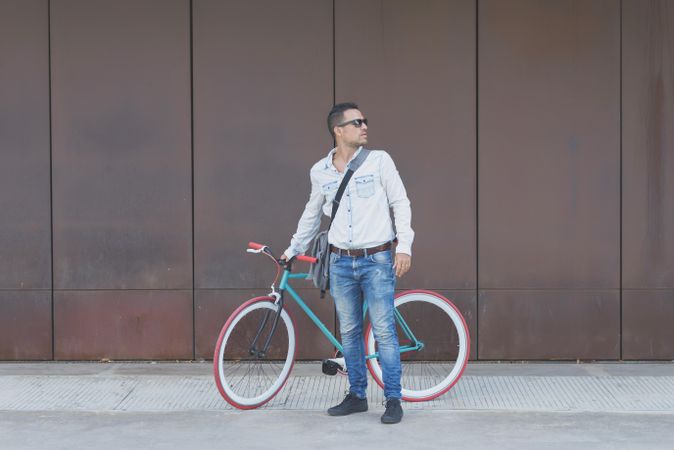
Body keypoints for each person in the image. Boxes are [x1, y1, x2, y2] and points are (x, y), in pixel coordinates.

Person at [282, 102, 414, 424]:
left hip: (378, 259)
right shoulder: (320, 171)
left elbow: (401, 202)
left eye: (365, 121)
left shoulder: (379, 161)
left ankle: (393, 399)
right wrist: (292, 249)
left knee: (384, 332)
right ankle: (357, 396)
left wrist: (404, 247)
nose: (364, 126)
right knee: (351, 333)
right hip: (340, 262)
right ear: (338, 130)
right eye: (357, 122)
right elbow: (312, 214)